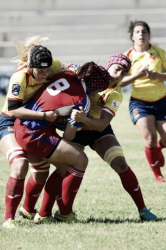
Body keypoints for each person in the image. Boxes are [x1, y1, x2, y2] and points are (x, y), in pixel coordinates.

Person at [69, 53, 157, 221]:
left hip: (98, 131)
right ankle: (59, 212)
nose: (118, 75)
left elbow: (102, 125)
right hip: (76, 129)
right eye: (117, 69)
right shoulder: (86, 75)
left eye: (124, 73)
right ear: (108, 66)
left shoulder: (116, 93)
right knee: (64, 171)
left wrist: (84, 119)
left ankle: (143, 210)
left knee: (121, 164)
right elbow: (64, 69)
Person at [14, 70, 104, 224]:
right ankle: (63, 213)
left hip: (22, 124)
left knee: (58, 169)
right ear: (94, 87)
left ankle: (34, 211)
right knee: (80, 160)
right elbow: (68, 136)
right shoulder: (83, 101)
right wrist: (78, 122)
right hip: (34, 133)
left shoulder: (70, 73)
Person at [0, 35, 66, 229]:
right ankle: (8, 219)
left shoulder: (53, 66)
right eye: (40, 72)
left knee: (42, 172)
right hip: (10, 122)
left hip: (33, 123)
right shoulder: (19, 77)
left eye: (47, 71)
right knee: (20, 164)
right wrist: (45, 116)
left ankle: (27, 209)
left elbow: (70, 70)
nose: (45, 75)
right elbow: (14, 110)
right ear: (30, 67)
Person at [120, 20, 166, 184]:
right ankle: (158, 175)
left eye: (144, 32)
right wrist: (137, 75)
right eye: (137, 32)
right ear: (132, 36)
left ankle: (158, 149)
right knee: (150, 138)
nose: (141, 34)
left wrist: (158, 75)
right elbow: (120, 81)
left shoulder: (159, 53)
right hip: (140, 103)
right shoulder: (127, 57)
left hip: (161, 101)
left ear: (149, 35)